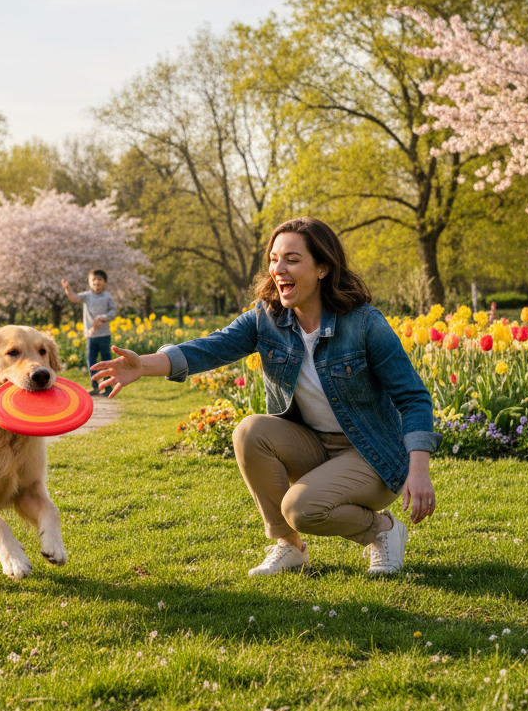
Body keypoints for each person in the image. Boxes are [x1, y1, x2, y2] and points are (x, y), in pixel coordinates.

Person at [91, 217, 439, 576]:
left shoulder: (364, 324)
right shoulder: (267, 319)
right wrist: (143, 366)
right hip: (315, 445)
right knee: (249, 431)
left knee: (302, 508)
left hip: (371, 454)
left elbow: (413, 397)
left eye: (291, 259)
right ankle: (290, 546)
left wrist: (419, 470)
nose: (278, 269)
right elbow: (210, 348)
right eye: (274, 259)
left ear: (322, 268)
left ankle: (384, 531)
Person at [61, 270, 117, 397]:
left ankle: (107, 387)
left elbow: (113, 312)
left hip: (104, 335)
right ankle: (95, 387)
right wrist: (68, 288)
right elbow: (74, 298)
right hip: (91, 336)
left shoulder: (107, 296)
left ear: (105, 282)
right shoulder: (87, 296)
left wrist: (104, 317)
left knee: (106, 361)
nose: (96, 282)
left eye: (100, 279)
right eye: (94, 280)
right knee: (91, 361)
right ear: (90, 282)